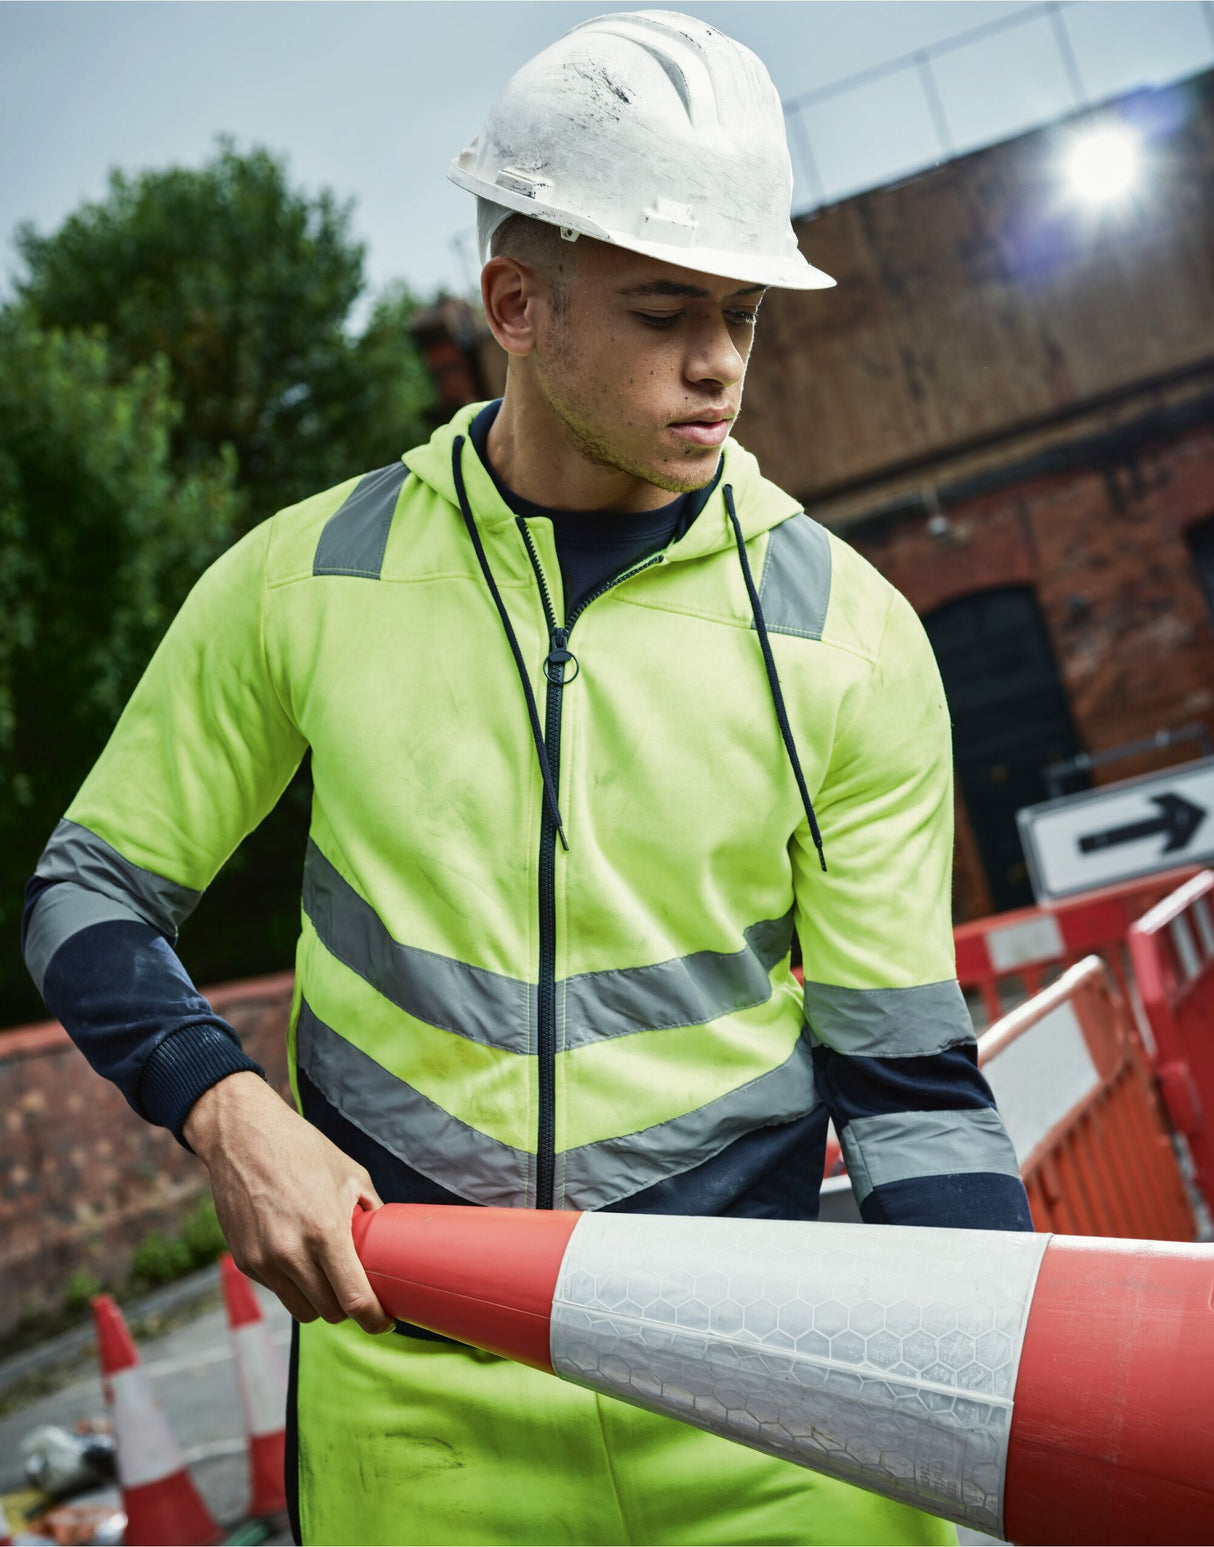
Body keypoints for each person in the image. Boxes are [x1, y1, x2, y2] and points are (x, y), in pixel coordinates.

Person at [22, 11, 1033, 1545]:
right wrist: (227, 1110)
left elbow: (905, 1081)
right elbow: (85, 888)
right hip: (414, 1417)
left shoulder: (851, 637)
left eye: (744, 314)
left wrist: (1005, 1407)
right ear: (517, 303)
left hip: (773, 1413)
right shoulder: (304, 580)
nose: (718, 364)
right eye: (661, 310)